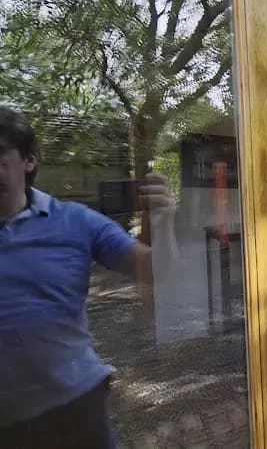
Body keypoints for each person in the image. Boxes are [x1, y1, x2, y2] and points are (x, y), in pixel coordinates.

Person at [0, 106, 177, 448]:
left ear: (30, 161)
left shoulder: (76, 222)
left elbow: (157, 272)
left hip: (76, 412)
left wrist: (164, 222)